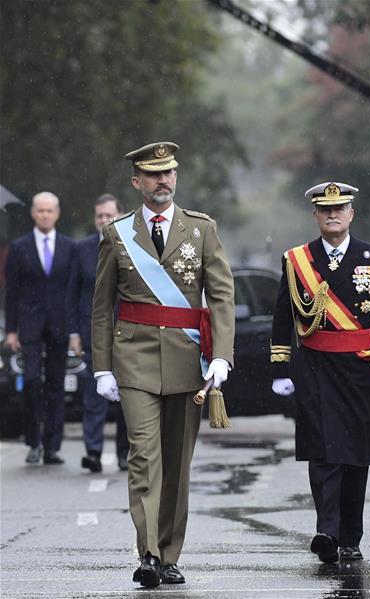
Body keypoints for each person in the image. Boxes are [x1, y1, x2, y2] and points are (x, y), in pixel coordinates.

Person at [91, 142, 235, 587]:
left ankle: (171, 553)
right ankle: (149, 554)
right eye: (153, 175)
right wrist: (101, 367)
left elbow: (222, 295)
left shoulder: (202, 230)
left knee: (176, 463)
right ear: (137, 182)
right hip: (132, 360)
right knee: (143, 458)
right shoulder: (117, 233)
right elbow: (102, 305)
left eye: (169, 173)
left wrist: (222, 356)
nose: (163, 181)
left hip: (187, 361)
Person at [269, 181, 370, 564]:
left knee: (355, 455)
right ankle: (326, 531)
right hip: (314, 368)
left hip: (362, 368)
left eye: (340, 208)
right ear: (315, 216)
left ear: (351, 214)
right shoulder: (297, 259)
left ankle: (350, 535)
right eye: (325, 209)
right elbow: (282, 318)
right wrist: (280, 367)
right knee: (322, 452)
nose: (333, 214)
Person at [4, 191, 75, 465]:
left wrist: (75, 329)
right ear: (33, 213)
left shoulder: (70, 247)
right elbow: (11, 292)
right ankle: (33, 442)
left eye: (50, 211)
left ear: (57, 214)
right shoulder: (19, 247)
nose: (45, 215)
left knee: (56, 385)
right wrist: (11, 329)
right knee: (33, 381)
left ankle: (52, 446)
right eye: (40, 210)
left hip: (59, 325)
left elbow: (72, 288)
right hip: (29, 326)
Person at [67, 193, 129, 473]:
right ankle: (92, 453)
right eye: (99, 216)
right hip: (92, 330)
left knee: (127, 396)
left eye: (109, 215)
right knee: (94, 396)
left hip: (128, 331)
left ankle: (124, 454)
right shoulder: (81, 249)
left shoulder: (132, 245)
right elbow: (72, 293)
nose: (104, 220)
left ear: (120, 216)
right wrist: (73, 333)